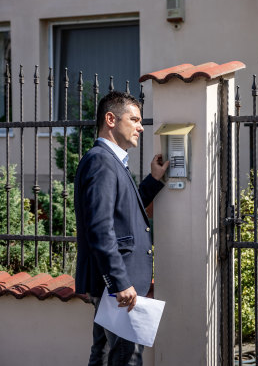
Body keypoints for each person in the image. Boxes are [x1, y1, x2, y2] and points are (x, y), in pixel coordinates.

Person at [74, 90, 169, 366]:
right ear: (111, 119)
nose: (141, 126)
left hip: (115, 285)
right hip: (117, 285)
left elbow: (124, 210)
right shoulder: (102, 161)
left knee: (104, 355)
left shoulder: (110, 161)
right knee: (126, 358)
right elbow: (100, 228)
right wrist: (119, 282)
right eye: (135, 119)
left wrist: (153, 180)